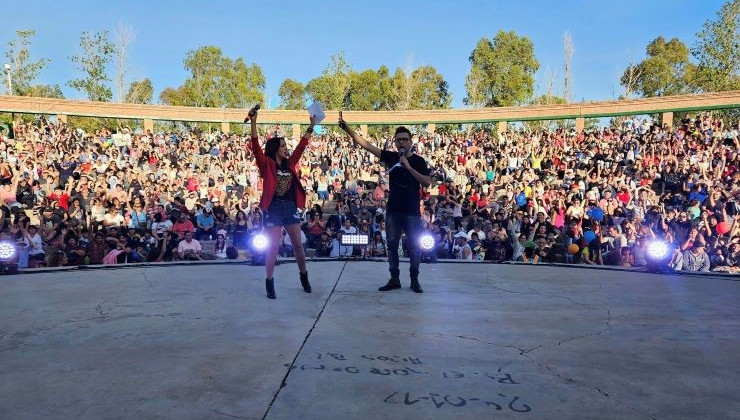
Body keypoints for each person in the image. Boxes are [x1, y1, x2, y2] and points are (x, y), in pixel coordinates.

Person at [339, 116, 431, 293]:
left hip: (412, 211)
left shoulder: (419, 161)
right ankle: (394, 278)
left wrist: (409, 167)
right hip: (393, 211)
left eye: (405, 139)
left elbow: (427, 183)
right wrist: (348, 129)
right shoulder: (391, 157)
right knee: (392, 246)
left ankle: (414, 279)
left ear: (411, 141)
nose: (402, 142)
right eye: (399, 140)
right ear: (395, 143)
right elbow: (365, 145)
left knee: (414, 246)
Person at [248, 105, 314, 299]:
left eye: (286, 146)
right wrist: (253, 121)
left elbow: (302, 146)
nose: (287, 149)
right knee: (273, 247)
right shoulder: (266, 163)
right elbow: (255, 146)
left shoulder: (290, 163)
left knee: (298, 245)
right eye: (284, 146)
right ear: (276, 148)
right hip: (274, 208)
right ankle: (269, 281)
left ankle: (304, 276)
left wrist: (311, 127)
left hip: (290, 207)